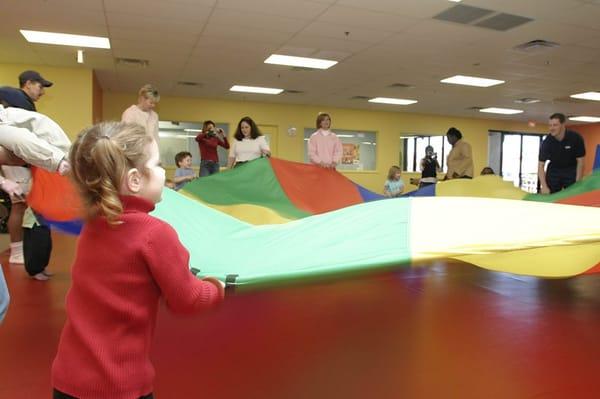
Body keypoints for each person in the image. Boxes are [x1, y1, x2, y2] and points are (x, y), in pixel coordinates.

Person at [51, 121, 224, 399]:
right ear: (134, 180)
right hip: (118, 385)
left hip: (67, 380)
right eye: (157, 164)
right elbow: (187, 299)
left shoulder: (93, 226)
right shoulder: (155, 234)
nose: (161, 171)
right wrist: (216, 288)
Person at [538, 113, 586, 194]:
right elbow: (540, 165)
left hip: (571, 169)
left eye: (555, 125)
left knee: (573, 195)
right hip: (554, 170)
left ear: (563, 125)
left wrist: (578, 183)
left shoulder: (576, 138)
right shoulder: (547, 142)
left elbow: (580, 161)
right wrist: (544, 186)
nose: (551, 128)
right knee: (548, 194)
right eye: (550, 125)